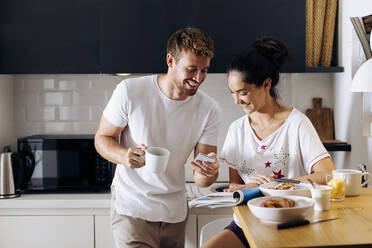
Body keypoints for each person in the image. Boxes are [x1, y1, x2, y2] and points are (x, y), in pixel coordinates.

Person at [202, 37, 335, 248]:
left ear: (266, 84)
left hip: (291, 222)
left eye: (243, 92)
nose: (237, 101)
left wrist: (277, 185)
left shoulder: (297, 124)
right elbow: (236, 185)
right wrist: (242, 189)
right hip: (248, 222)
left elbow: (326, 175)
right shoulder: (237, 129)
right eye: (233, 94)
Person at [95, 27, 222, 248]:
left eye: (204, 70)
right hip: (132, 208)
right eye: (192, 69)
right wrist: (125, 156)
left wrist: (209, 173)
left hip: (174, 212)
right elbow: (102, 138)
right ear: (171, 60)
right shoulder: (130, 91)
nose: (199, 78)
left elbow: (202, 178)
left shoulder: (209, 109)